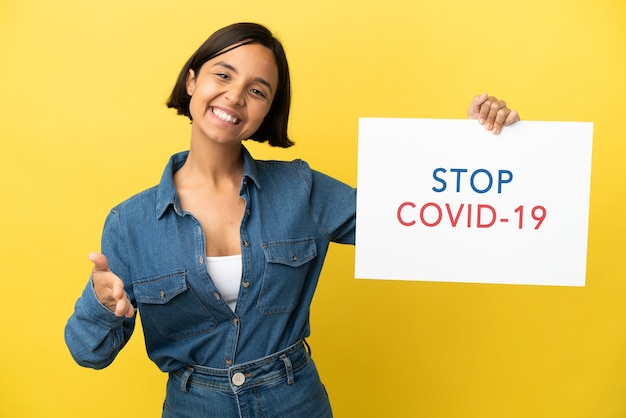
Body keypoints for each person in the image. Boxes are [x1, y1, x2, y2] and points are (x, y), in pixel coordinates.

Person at [64, 22, 520, 418]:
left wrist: (477, 149)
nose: (235, 97)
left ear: (267, 110)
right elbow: (90, 354)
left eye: (257, 90)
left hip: (293, 402)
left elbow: (419, 220)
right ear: (191, 81)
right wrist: (102, 306)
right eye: (223, 75)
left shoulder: (301, 190)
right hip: (192, 407)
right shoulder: (129, 223)